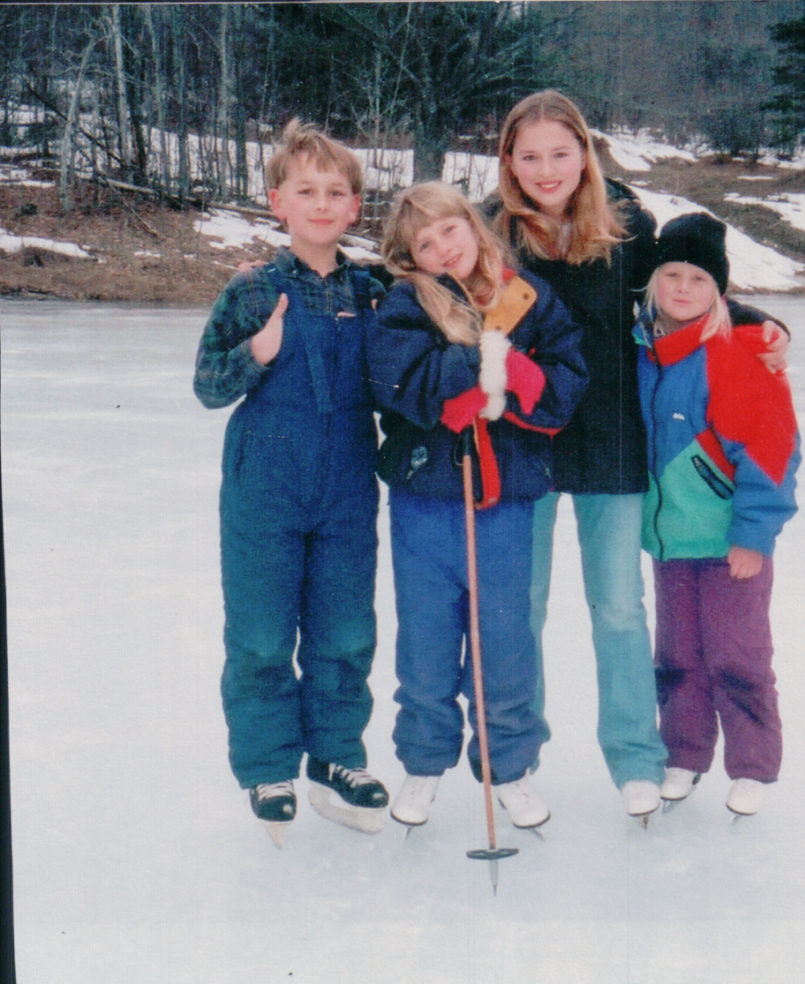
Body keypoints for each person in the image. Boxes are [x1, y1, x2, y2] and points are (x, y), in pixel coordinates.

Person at [489, 89, 789, 820]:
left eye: (561, 153)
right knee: (519, 607)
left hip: (612, 441)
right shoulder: (490, 231)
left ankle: (634, 756)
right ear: (509, 162)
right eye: (529, 156)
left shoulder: (625, 224)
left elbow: (681, 292)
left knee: (619, 609)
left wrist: (755, 322)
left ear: (585, 153)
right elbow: (443, 295)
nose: (547, 169)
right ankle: (515, 757)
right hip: (523, 441)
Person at [366, 182, 587, 830]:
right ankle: (425, 761)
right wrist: (473, 365)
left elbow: (562, 389)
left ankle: (508, 766)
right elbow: (400, 383)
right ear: (410, 257)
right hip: (425, 500)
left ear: (473, 226)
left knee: (505, 640)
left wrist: (517, 373)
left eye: (450, 231)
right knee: (428, 637)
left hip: (505, 504)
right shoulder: (406, 304)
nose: (443, 249)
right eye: (424, 244)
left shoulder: (528, 298)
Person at [193, 120, 389, 843]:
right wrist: (256, 351)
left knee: (344, 630)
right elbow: (206, 384)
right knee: (262, 635)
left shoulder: (374, 293)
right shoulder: (252, 289)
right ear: (278, 202)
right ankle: (268, 763)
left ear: (354, 208)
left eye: (336, 192)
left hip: (345, 488)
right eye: (306, 191)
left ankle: (337, 757)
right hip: (263, 489)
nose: (321, 203)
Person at [634, 213, 800, 816]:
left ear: (720, 291)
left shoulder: (736, 351)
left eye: (697, 279)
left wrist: (754, 534)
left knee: (737, 653)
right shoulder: (643, 350)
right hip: (670, 539)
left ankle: (752, 765)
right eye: (670, 275)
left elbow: (773, 447)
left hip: (731, 539)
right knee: (677, 655)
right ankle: (684, 754)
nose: (681, 288)